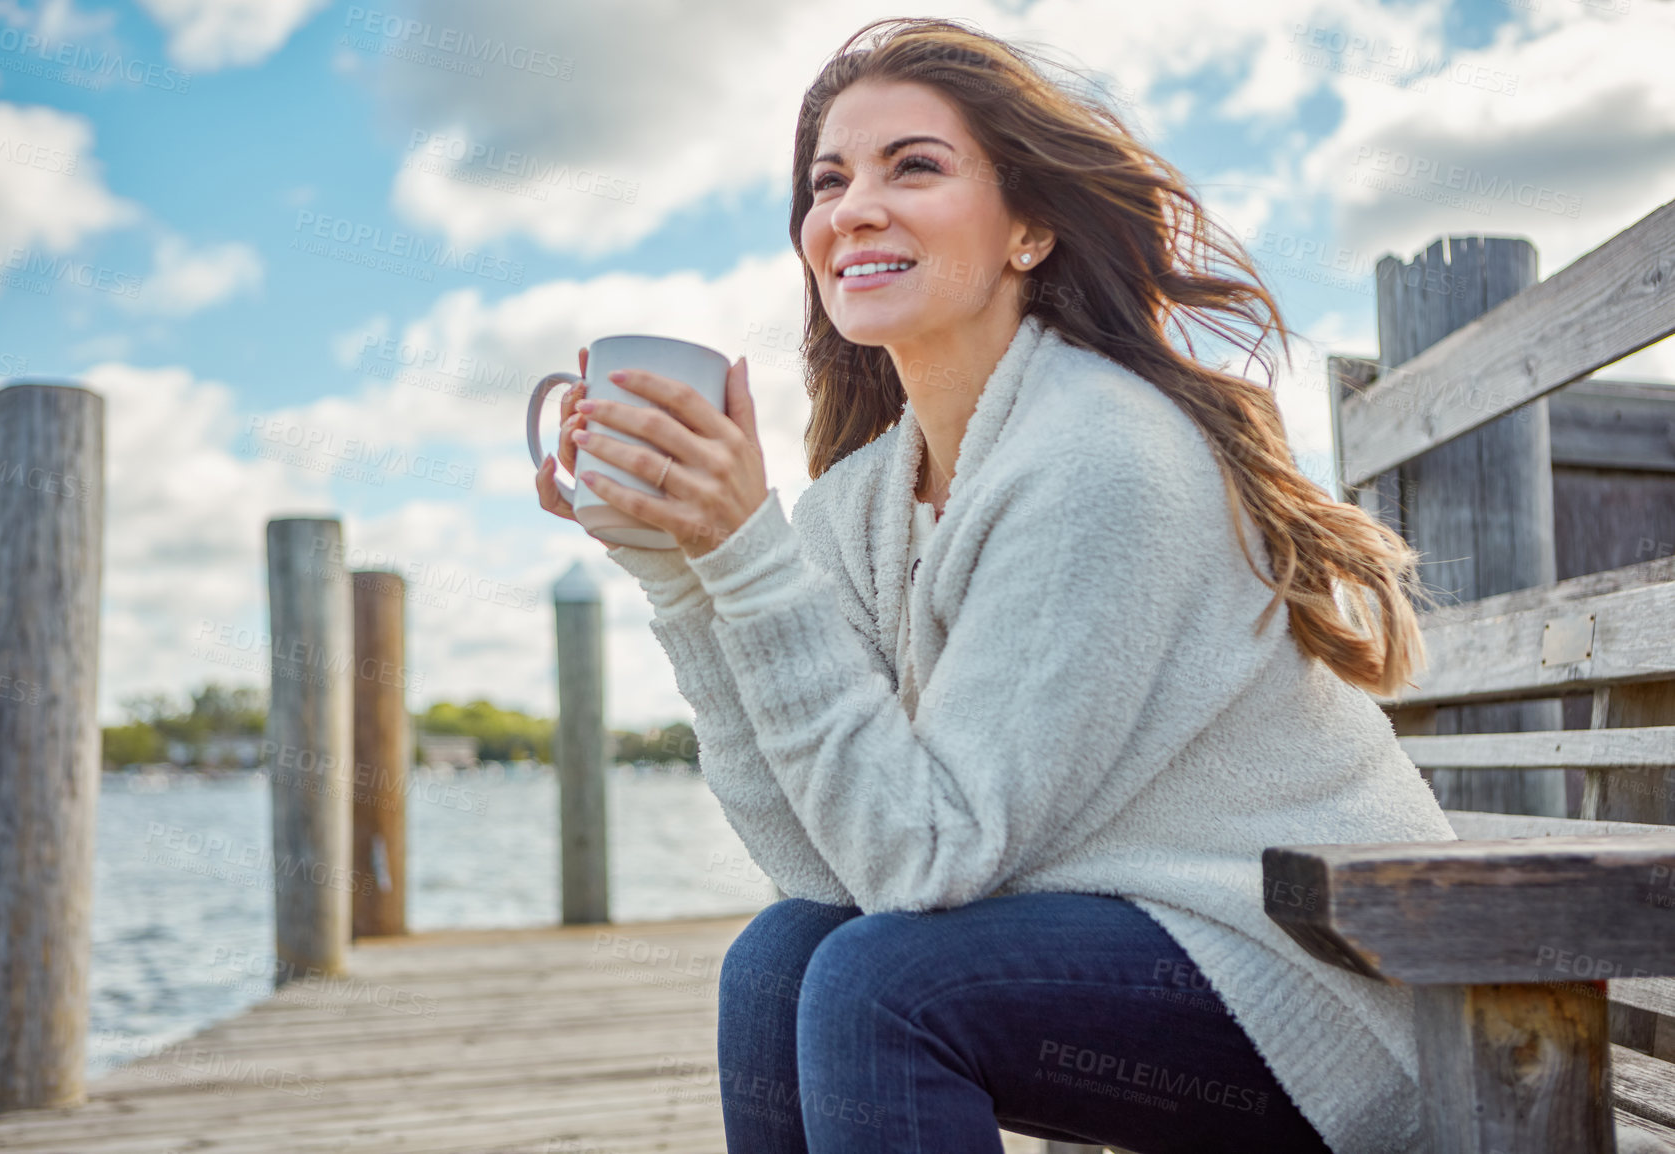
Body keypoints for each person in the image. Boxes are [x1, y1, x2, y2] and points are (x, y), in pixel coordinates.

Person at [536, 16, 1454, 1154]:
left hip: (1316, 981)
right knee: (780, 957)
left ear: (1029, 228)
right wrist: (683, 577)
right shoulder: (863, 503)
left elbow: (925, 861)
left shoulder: (1101, 455)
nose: (851, 208)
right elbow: (828, 862)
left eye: (912, 166)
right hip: (1131, 937)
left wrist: (746, 555)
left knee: (884, 983)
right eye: (828, 182)